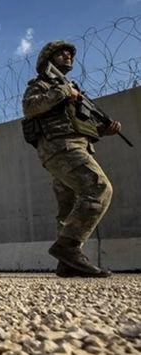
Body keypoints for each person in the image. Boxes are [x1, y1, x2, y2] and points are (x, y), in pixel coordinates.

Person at [22, 41, 121, 278]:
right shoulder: (41, 84)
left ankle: (67, 263)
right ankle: (68, 247)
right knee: (98, 188)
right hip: (60, 148)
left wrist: (102, 130)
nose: (68, 56)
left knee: (68, 206)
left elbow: (77, 125)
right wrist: (65, 92)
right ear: (48, 60)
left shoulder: (71, 88)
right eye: (61, 53)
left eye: (70, 54)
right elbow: (30, 107)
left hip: (73, 146)